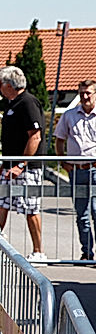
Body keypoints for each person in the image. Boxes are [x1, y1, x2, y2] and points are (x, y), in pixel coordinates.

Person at [0, 66, 47, 261]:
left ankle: (38, 251)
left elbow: (35, 136)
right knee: (1, 204)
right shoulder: (11, 104)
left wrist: (22, 164)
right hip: (9, 166)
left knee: (31, 209)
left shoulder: (28, 103)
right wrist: (5, 163)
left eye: (0, 84)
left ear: (9, 85)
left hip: (26, 168)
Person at [53, 79, 96, 261]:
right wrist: (64, 162)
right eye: (82, 93)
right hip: (77, 171)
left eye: (88, 93)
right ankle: (87, 252)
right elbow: (59, 139)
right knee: (82, 213)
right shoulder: (69, 115)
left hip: (95, 169)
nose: (85, 97)